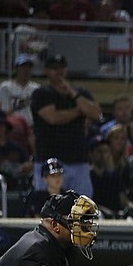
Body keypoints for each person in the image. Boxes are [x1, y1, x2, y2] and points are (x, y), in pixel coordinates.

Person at [31, 54, 102, 197]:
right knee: (49, 210)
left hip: (78, 160)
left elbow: (96, 114)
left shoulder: (80, 93)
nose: (58, 72)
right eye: (54, 68)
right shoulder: (41, 93)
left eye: (61, 68)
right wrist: (79, 110)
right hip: (49, 160)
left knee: (81, 211)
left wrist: (74, 94)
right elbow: (53, 118)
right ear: (46, 71)